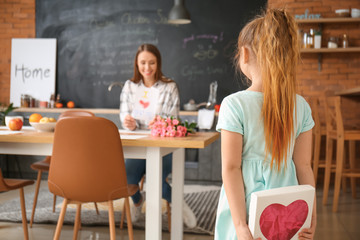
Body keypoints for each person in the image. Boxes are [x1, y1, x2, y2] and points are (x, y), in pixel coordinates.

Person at [214, 9, 316, 240]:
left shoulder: (234, 105)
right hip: (288, 210)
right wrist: (310, 216)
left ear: (245, 54)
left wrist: (240, 226)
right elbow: (304, 166)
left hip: (245, 209)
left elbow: (231, 168)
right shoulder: (301, 106)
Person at [119, 43, 196, 228]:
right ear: (136, 64)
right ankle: (138, 202)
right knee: (126, 180)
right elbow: (124, 114)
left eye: (152, 63)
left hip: (163, 145)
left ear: (158, 63)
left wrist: (161, 122)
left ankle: (179, 204)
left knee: (157, 183)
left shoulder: (170, 87)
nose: (147, 68)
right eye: (143, 63)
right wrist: (128, 122)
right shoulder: (130, 86)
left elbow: (175, 120)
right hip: (139, 144)